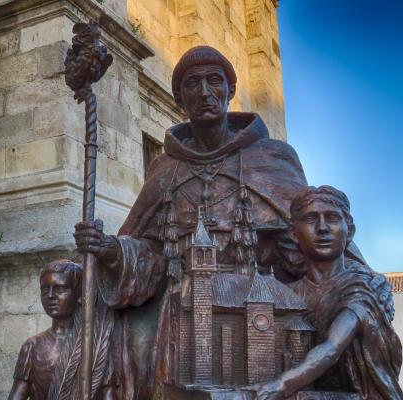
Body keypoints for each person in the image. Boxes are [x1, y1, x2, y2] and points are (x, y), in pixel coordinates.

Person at [73, 46, 369, 399]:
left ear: (230, 90)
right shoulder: (164, 170)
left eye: (215, 82)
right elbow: (150, 254)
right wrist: (111, 250)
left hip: (257, 305)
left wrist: (348, 280)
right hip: (181, 308)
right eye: (192, 84)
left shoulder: (272, 158)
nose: (205, 92)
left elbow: (308, 240)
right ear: (180, 98)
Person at [251, 186, 401, 400]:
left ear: (349, 230)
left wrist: (282, 385)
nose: (322, 228)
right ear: (294, 233)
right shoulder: (285, 295)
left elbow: (332, 348)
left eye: (332, 218)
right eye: (311, 219)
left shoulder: (360, 289)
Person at [8, 260, 116, 400]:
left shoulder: (97, 344)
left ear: (79, 295)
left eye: (59, 289)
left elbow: (109, 395)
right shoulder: (32, 347)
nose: (51, 296)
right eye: (45, 290)